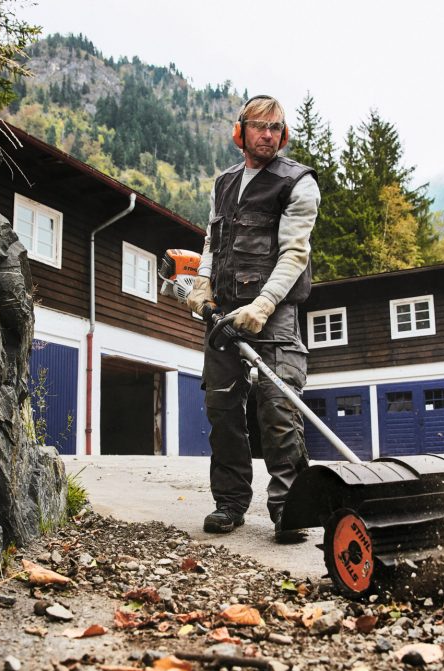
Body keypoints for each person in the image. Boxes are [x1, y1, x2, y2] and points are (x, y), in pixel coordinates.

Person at [185, 95, 320, 543]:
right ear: (239, 132)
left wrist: (262, 306)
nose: (268, 134)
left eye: (276, 127)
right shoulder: (224, 182)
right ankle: (229, 502)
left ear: (284, 134)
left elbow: (295, 254)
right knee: (222, 408)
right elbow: (212, 240)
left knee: (279, 409)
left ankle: (289, 509)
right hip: (223, 312)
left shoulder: (298, 182)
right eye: (260, 126)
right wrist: (202, 282)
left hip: (273, 313)